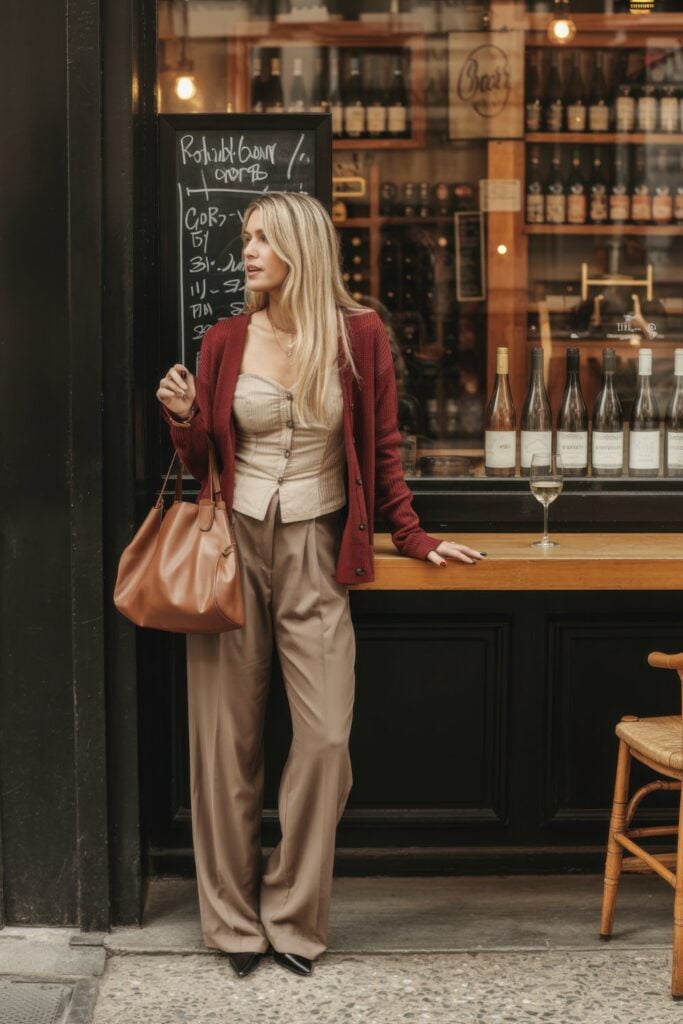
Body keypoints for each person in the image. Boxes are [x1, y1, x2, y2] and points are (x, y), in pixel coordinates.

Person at [156, 192, 483, 980]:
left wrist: (412, 534)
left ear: (301, 247)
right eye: (244, 239)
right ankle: (233, 924)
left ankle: (293, 914)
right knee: (224, 743)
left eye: (263, 238)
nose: (248, 251)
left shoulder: (358, 334)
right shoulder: (224, 339)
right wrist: (183, 419)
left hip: (318, 545)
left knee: (327, 738)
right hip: (231, 544)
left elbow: (382, 446)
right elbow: (206, 463)